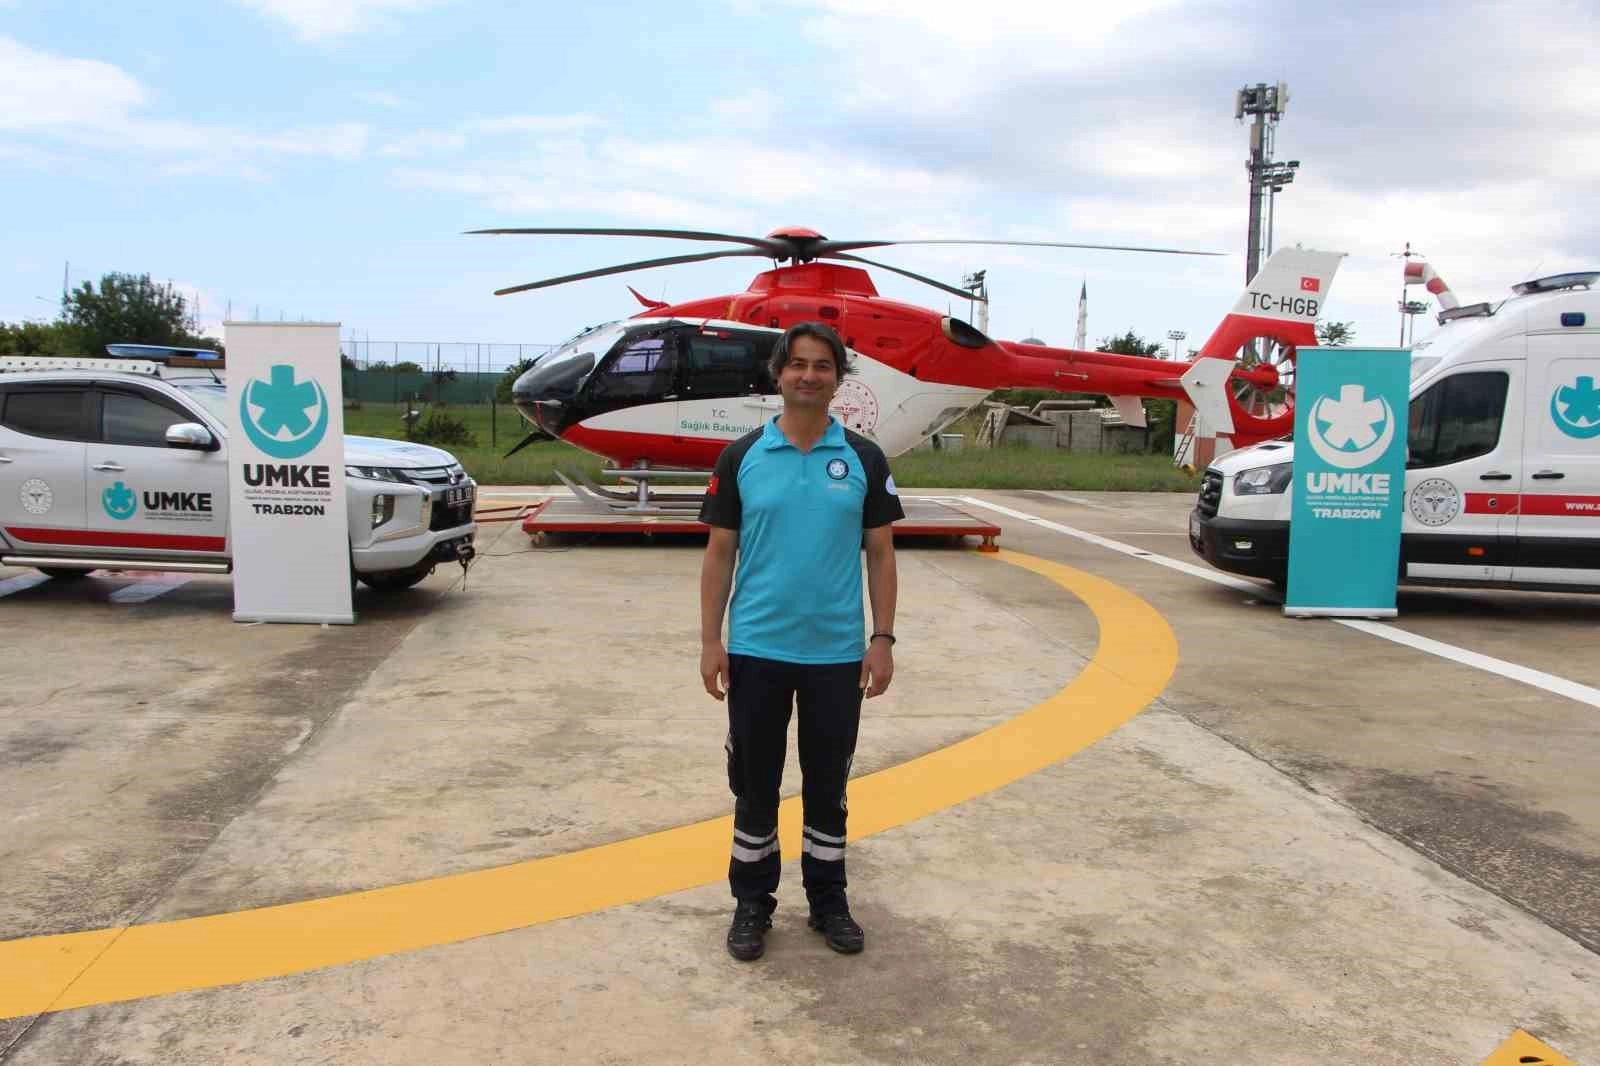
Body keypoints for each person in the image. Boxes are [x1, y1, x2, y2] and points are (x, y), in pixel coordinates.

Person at [698, 320, 903, 962]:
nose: (808, 375)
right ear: (778, 374)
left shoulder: (864, 458)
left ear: (838, 379)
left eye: (822, 366)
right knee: (754, 785)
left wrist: (882, 638)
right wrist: (710, 641)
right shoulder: (741, 457)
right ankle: (752, 903)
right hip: (756, 650)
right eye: (798, 364)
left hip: (836, 655)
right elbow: (719, 554)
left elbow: (881, 555)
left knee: (827, 787)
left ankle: (828, 901)